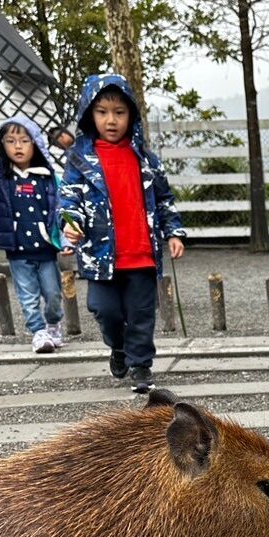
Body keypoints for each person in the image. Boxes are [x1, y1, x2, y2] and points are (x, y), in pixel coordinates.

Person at [58, 73, 185, 394]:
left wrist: (174, 232)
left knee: (142, 314)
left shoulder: (146, 160)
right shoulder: (80, 161)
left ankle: (141, 365)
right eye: (102, 112)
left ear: (132, 116)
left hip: (141, 253)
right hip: (101, 255)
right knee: (104, 309)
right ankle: (118, 348)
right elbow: (68, 198)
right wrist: (70, 224)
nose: (111, 120)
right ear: (90, 114)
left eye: (119, 112)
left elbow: (164, 199)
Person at [0, 115, 64, 354]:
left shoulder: (48, 177)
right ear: (2, 145)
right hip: (17, 250)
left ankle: (53, 323)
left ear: (35, 143)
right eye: (10, 141)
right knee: (27, 296)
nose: (17, 146)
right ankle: (38, 332)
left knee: (52, 294)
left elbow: (61, 211)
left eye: (24, 140)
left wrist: (66, 238)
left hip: (46, 248)